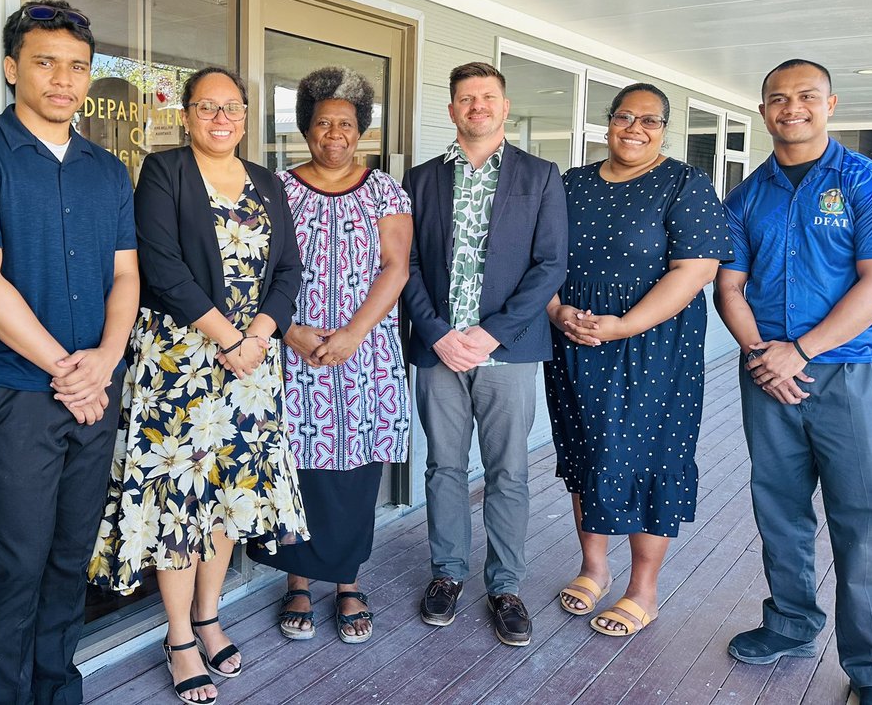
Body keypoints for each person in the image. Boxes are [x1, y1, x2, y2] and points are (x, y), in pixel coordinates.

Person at [0, 0, 139, 705]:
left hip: (94, 387)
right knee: (18, 565)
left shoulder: (107, 171)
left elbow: (125, 276)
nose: (64, 78)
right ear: (11, 67)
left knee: (67, 560)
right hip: (16, 392)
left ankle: (58, 692)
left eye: (77, 66)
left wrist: (106, 361)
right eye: (46, 62)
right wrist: (69, 370)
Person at [91, 66, 307, 704]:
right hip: (182, 362)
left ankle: (210, 616)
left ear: (246, 117)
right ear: (186, 114)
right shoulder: (164, 172)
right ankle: (179, 634)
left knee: (228, 495)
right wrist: (230, 338)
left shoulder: (267, 182)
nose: (222, 118)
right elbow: (161, 266)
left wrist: (262, 334)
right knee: (178, 502)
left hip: (253, 365)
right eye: (208, 107)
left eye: (233, 108)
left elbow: (288, 269)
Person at [716, 59, 872, 705]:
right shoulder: (744, 197)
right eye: (777, 99)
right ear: (762, 109)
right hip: (767, 375)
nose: (791, 108)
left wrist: (801, 350)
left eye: (805, 97)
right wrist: (763, 354)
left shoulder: (869, 183)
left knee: (866, 519)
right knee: (781, 512)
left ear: (831, 105)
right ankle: (791, 625)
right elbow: (729, 286)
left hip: (849, 375)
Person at [544, 83, 731, 637]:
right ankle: (594, 569)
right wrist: (556, 311)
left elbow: (695, 271)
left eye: (649, 121)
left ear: (664, 130)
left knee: (648, 460)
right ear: (608, 123)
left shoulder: (685, 184)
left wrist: (624, 325)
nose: (635, 128)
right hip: (576, 340)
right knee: (585, 453)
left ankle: (642, 589)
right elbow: (543, 258)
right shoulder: (571, 183)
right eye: (625, 117)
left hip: (653, 347)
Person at [402, 61, 567, 646]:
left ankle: (505, 586)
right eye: (466, 98)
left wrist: (491, 332)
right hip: (439, 350)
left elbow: (551, 265)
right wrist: (438, 331)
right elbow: (407, 265)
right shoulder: (420, 180)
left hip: (510, 351)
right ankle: (447, 574)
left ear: (504, 106)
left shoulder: (542, 176)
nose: (477, 106)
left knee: (508, 471)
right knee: (443, 466)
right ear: (451, 110)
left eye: (488, 97)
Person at [246, 66, 413, 645]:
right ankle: (297, 579)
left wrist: (353, 334)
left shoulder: (386, 189)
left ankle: (346, 582)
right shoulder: (275, 187)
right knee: (298, 465)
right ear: (306, 130)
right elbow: (257, 270)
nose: (334, 134)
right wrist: (289, 330)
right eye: (323, 123)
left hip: (364, 353)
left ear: (361, 130)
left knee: (354, 470)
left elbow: (396, 268)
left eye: (346, 123)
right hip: (292, 347)